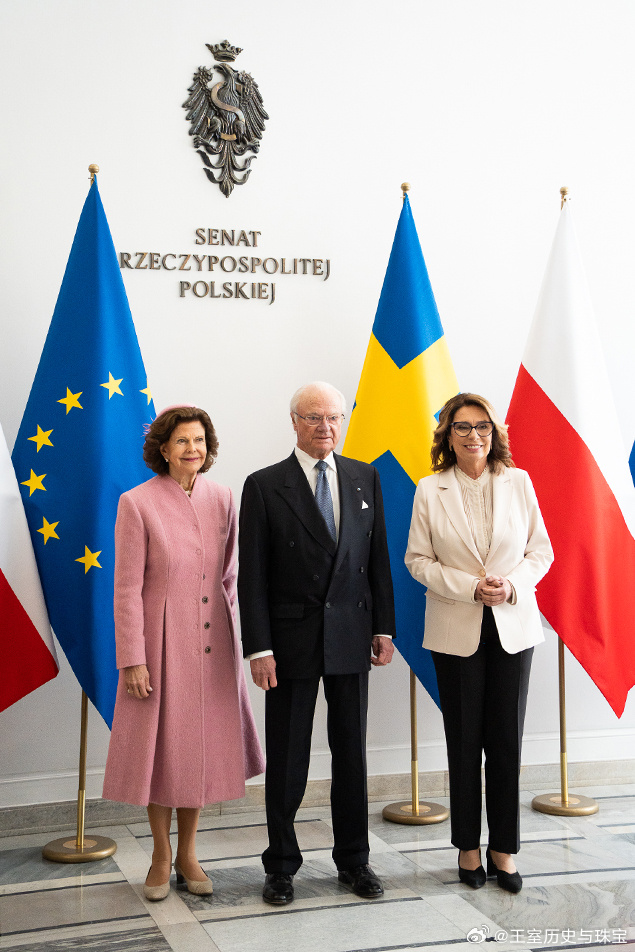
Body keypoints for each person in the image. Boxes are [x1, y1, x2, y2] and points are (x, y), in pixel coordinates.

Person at [238, 381, 395, 905]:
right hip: (289, 641)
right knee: (288, 757)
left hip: (352, 634)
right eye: (313, 418)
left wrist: (384, 628)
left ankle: (355, 861)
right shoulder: (264, 485)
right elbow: (251, 578)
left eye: (333, 418)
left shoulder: (365, 476)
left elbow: (377, 559)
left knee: (351, 753)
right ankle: (281, 866)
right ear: (294, 422)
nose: (325, 427)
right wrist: (259, 648)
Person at [103, 405, 265, 901]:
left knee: (199, 750)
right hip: (159, 643)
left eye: (199, 440)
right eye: (181, 441)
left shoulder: (223, 497)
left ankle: (189, 854)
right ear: (164, 450)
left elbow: (229, 576)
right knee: (163, 751)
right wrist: (133, 658)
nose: (192, 449)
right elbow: (126, 588)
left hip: (213, 644)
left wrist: (237, 640)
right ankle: (160, 854)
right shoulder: (137, 503)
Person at [405, 393, 553, 894]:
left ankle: (503, 850)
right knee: (465, 742)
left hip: (514, 627)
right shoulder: (430, 489)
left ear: (495, 433)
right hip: (456, 628)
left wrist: (511, 585)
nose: (474, 436)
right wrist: (470, 587)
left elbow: (540, 552)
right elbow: (417, 560)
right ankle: (468, 848)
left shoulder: (520, 482)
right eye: (463, 427)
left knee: (506, 743)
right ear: (448, 435)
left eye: (483, 426)